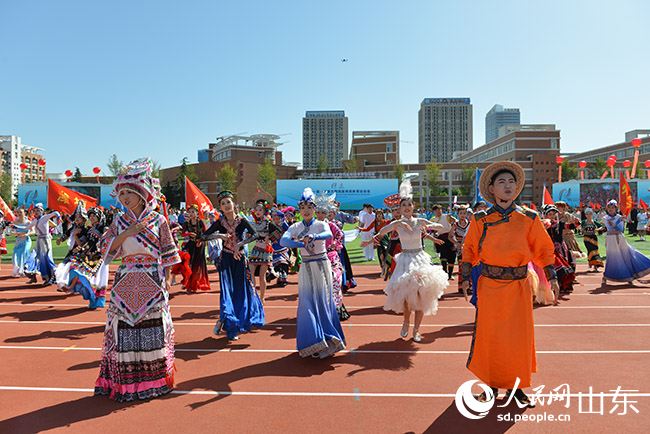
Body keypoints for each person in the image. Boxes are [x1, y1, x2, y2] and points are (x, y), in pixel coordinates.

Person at [460, 161, 559, 408]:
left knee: (518, 339)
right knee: (491, 338)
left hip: (518, 286)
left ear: (517, 188)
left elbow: (544, 250)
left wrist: (553, 276)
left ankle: (517, 389)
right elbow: (469, 248)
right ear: (491, 189)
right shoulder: (481, 219)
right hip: (490, 286)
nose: (507, 186)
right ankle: (491, 387)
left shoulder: (529, 218)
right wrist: (463, 278)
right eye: (501, 182)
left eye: (511, 182)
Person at [94, 158, 181, 402]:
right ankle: (127, 383)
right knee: (124, 329)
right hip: (126, 279)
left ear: (142, 195)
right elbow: (105, 252)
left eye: (128, 193)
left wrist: (167, 281)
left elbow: (168, 254)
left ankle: (153, 380)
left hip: (152, 278)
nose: (124, 199)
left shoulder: (159, 220)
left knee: (152, 328)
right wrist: (125, 235)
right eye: (121, 194)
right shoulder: (119, 222)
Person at [362, 180, 448, 343]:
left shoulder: (420, 221)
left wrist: (439, 224)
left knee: (422, 296)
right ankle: (406, 322)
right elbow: (382, 231)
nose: (407, 207)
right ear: (400, 209)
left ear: (413, 207)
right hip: (405, 260)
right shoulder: (397, 223)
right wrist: (370, 241)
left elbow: (435, 226)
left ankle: (417, 330)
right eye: (404, 205)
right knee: (408, 297)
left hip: (420, 258)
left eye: (409, 204)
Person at [280, 188, 346, 358]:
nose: (306, 210)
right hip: (306, 267)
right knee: (307, 304)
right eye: (303, 207)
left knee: (324, 301)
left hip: (322, 266)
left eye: (309, 207)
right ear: (299, 210)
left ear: (315, 209)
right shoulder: (295, 226)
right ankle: (313, 342)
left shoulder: (320, 224)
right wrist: (302, 245)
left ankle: (329, 340)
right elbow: (283, 240)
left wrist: (314, 238)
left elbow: (328, 234)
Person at [202, 191, 265, 340]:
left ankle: (231, 323)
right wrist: (220, 236)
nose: (226, 205)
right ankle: (229, 324)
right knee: (227, 292)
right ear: (221, 208)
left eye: (228, 202)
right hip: (225, 260)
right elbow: (203, 236)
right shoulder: (220, 222)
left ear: (234, 204)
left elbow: (255, 234)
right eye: (223, 204)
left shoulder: (242, 220)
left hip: (239, 259)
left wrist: (241, 244)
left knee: (241, 292)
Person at [58, 207, 109, 309]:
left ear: (99, 217)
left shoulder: (104, 228)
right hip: (88, 255)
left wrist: (103, 237)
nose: (92, 218)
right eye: (90, 216)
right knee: (76, 269)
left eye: (94, 216)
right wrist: (75, 235)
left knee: (97, 279)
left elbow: (106, 238)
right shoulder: (89, 229)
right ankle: (91, 300)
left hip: (100, 257)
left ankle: (97, 300)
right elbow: (82, 243)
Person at [315, 192, 350, 321]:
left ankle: (337, 308)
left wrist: (334, 244)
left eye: (323, 213)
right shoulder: (312, 226)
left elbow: (339, 235)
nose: (320, 215)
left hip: (331, 256)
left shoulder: (330, 225)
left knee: (335, 280)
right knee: (319, 284)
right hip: (317, 257)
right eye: (318, 212)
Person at [602, 200, 650, 285]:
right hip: (610, 238)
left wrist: (620, 222)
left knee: (626, 255)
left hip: (620, 237)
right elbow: (610, 227)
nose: (610, 209)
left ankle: (629, 277)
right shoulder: (605, 218)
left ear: (616, 208)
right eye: (609, 207)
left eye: (612, 207)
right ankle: (606, 276)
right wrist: (616, 223)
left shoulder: (620, 217)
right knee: (612, 257)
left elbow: (621, 230)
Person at [248, 200, 281, 303]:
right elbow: (252, 236)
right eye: (256, 210)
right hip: (256, 249)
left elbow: (279, 232)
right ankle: (253, 295)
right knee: (250, 271)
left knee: (262, 275)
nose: (258, 212)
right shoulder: (253, 224)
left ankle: (262, 297)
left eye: (260, 210)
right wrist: (248, 236)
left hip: (266, 250)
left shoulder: (268, 223)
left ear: (264, 211)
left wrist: (269, 237)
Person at [543, 206, 577, 293]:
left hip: (560, 249)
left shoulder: (559, 224)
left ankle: (563, 285)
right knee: (551, 267)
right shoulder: (543, 225)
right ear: (546, 215)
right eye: (550, 214)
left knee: (563, 266)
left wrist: (577, 223)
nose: (552, 216)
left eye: (553, 214)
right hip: (549, 249)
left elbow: (570, 226)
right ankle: (551, 285)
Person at [24, 204, 59, 286]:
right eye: (34, 211)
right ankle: (32, 276)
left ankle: (49, 278)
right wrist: (14, 226)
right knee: (33, 256)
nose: (35, 212)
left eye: (37, 211)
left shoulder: (45, 218)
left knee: (45, 259)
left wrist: (58, 217)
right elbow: (26, 228)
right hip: (39, 240)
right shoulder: (35, 221)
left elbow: (56, 212)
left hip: (46, 240)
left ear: (41, 211)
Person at [181, 204, 211, 292]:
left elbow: (206, 233)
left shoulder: (200, 222)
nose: (191, 214)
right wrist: (189, 234)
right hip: (190, 244)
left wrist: (200, 241)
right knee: (187, 264)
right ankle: (187, 283)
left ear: (197, 213)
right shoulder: (187, 223)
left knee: (196, 266)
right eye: (189, 212)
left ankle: (193, 285)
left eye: (193, 212)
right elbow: (182, 234)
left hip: (199, 245)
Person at [332, 202, 357, 291]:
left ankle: (343, 283)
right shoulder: (323, 218)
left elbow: (352, 220)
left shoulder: (340, 216)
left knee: (341, 263)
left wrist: (355, 219)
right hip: (327, 247)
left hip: (338, 245)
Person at [431, 204, 457, 280]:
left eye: (439, 209)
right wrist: (434, 232)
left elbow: (455, 221)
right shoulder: (433, 219)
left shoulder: (447, 216)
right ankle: (445, 272)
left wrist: (453, 222)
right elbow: (429, 228)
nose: (438, 211)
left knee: (452, 256)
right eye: (436, 210)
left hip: (449, 238)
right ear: (434, 211)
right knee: (443, 256)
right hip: (441, 238)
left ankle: (450, 274)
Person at [382, 193, 402, 280]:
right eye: (394, 210)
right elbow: (381, 234)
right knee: (393, 264)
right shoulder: (388, 223)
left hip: (405, 246)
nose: (397, 212)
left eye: (398, 209)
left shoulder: (406, 221)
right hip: (393, 247)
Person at [269, 209, 290, 287]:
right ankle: (279, 277)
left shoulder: (284, 224)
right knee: (276, 264)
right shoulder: (270, 225)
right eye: (274, 219)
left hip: (283, 247)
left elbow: (289, 232)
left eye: (277, 219)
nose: (276, 221)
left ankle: (284, 277)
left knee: (283, 263)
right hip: (274, 247)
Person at [10, 208, 34, 277]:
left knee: (24, 254)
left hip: (26, 240)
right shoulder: (15, 223)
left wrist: (26, 234)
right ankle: (17, 268)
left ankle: (22, 270)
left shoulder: (28, 222)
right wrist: (16, 234)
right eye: (18, 212)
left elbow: (33, 231)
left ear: (24, 213)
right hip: (18, 241)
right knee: (16, 255)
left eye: (21, 212)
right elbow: (11, 232)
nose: (19, 214)